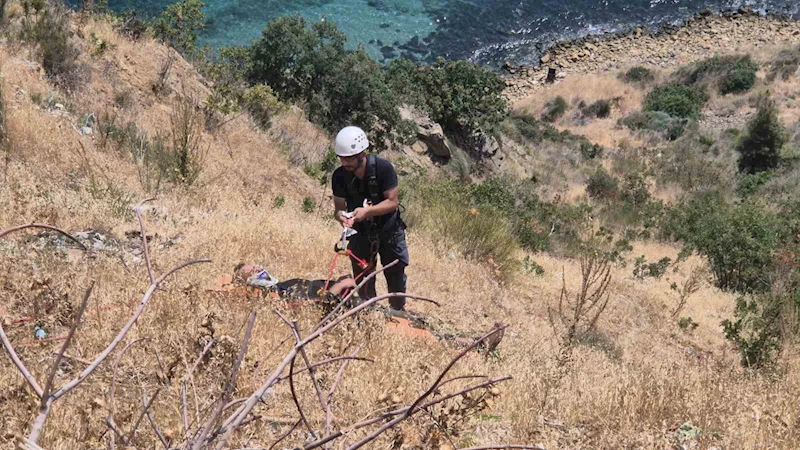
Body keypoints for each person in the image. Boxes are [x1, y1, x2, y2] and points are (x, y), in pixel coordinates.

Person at [330, 126, 409, 311]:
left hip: (389, 230)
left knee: (395, 277)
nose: (345, 162)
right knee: (364, 279)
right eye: (342, 158)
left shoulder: (383, 168)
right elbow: (338, 209)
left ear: (362, 153)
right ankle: (368, 313)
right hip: (361, 234)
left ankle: (398, 314)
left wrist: (367, 212)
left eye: (349, 158)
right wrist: (343, 217)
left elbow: (392, 202)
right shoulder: (339, 176)